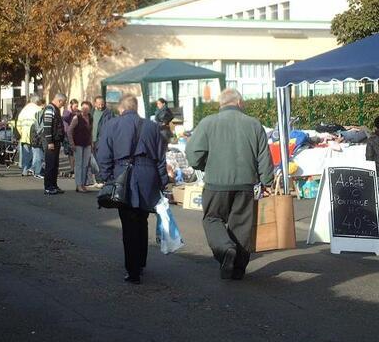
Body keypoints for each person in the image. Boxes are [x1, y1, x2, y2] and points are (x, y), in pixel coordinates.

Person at [186, 88, 273, 280]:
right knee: (241, 224)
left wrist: (202, 165)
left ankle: (225, 250)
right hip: (246, 184)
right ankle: (238, 269)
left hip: (216, 183)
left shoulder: (208, 122)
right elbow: (264, 157)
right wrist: (267, 182)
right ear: (240, 103)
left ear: (221, 104)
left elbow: (193, 154)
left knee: (212, 218)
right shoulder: (254, 124)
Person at [96, 95, 168, 284]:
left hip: (123, 175)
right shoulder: (152, 127)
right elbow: (160, 157)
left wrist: (107, 178)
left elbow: (103, 154)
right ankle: (141, 262)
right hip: (147, 175)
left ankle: (133, 269)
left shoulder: (111, 125)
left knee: (128, 223)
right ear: (136, 108)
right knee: (142, 220)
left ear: (121, 109)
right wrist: (162, 182)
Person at [41, 93, 67, 194]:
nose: (63, 105)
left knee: (55, 165)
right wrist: (49, 141)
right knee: (50, 165)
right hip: (51, 142)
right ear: (59, 100)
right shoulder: (49, 109)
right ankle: (48, 187)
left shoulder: (55, 109)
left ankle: (54, 185)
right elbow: (47, 126)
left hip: (56, 141)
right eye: (63, 103)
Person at [16, 95, 44, 177]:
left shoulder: (24, 110)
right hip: (35, 135)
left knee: (26, 154)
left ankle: (25, 170)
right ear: (37, 101)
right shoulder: (38, 109)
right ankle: (35, 170)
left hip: (24, 135)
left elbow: (18, 123)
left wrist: (21, 132)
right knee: (36, 153)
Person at [69, 100, 94, 192]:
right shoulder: (76, 118)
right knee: (79, 165)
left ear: (90, 109)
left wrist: (91, 143)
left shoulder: (90, 118)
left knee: (85, 165)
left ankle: (83, 184)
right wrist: (72, 143)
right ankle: (78, 184)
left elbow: (90, 131)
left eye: (87, 108)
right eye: (83, 108)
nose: (85, 110)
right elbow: (69, 131)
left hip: (87, 144)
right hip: (78, 144)